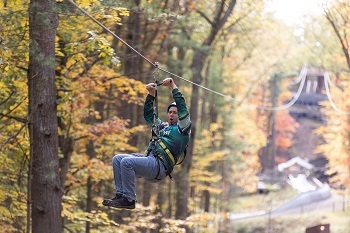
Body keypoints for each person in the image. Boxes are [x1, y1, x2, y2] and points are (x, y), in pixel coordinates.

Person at [103, 77, 191, 209]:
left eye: (175, 113)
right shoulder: (163, 127)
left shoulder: (183, 130)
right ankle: (121, 196)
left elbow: (183, 108)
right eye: (170, 112)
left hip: (159, 166)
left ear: (180, 116)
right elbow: (149, 116)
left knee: (127, 162)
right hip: (150, 159)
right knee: (117, 159)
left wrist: (173, 86)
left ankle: (129, 199)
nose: (172, 114)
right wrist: (150, 95)